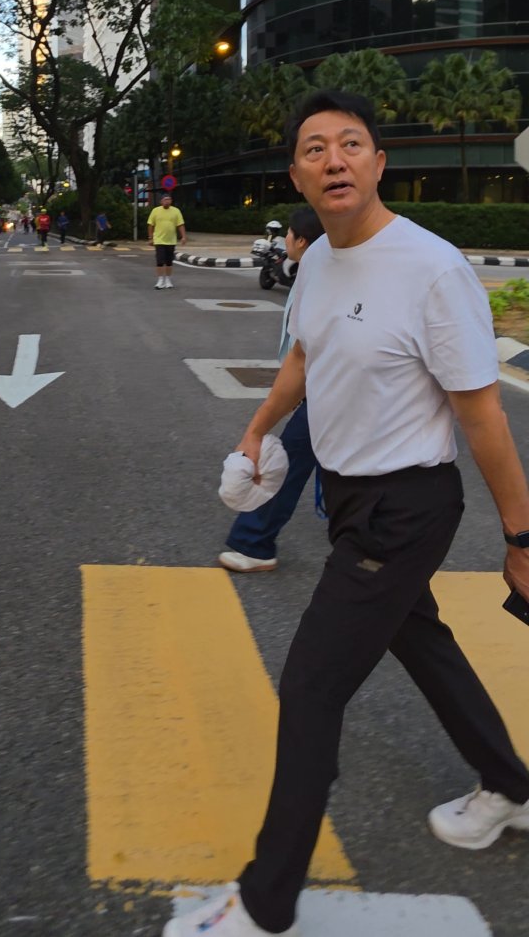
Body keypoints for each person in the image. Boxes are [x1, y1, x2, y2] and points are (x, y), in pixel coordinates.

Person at [166, 89, 529, 937]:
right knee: (424, 643)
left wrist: (521, 537)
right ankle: (509, 786)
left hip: (406, 507)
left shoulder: (431, 269)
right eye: (315, 148)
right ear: (296, 172)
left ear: (378, 163)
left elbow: (484, 416)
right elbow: (304, 350)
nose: (334, 159)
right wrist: (258, 428)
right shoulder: (320, 259)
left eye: (351, 144)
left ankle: (265, 903)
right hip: (348, 496)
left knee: (311, 686)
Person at [219, 205, 324, 574]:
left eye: (290, 235)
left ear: (302, 241)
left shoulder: (324, 279)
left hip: (328, 395)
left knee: (289, 465)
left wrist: (259, 427)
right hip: (321, 393)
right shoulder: (312, 273)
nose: (284, 242)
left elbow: (304, 353)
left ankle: (254, 542)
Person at [147, 193, 185, 289]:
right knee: (160, 261)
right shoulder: (155, 211)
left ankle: (168, 279)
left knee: (169, 262)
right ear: (161, 201)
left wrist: (183, 236)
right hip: (159, 240)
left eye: (169, 199)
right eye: (165, 199)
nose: (167, 201)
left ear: (171, 201)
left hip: (171, 240)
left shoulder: (176, 211)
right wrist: (150, 238)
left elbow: (180, 224)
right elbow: (151, 225)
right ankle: (160, 280)